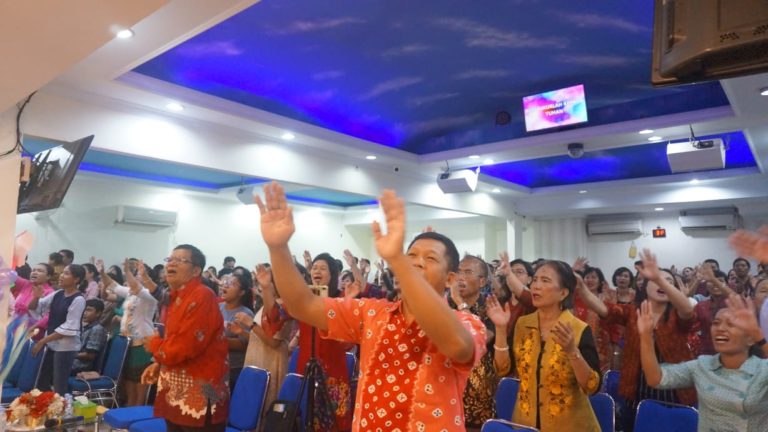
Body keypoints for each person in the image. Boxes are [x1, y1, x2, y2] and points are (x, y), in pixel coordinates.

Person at [255, 182, 487, 431]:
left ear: (450, 279)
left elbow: (457, 346)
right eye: (411, 255)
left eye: (430, 258)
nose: (417, 263)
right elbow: (303, 305)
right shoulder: (373, 313)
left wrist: (399, 260)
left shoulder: (467, 322)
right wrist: (278, 248)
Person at [577, 249, 697, 431]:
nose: (662, 283)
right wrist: (582, 288)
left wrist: (658, 278)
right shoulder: (633, 312)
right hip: (637, 387)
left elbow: (687, 310)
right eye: (656, 281)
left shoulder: (676, 314)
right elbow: (604, 309)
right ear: (644, 287)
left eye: (668, 282)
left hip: (674, 391)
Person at [495, 259, 601, 431]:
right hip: (525, 425)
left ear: (563, 293)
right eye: (535, 280)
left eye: (545, 281)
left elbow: (591, 386)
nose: (536, 286)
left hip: (570, 426)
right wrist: (500, 329)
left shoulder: (578, 329)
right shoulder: (523, 324)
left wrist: (572, 351)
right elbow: (503, 369)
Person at [638, 295, 768, 431]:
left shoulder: (762, 370)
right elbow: (655, 379)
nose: (720, 328)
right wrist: (646, 336)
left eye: (731, 324)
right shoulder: (703, 366)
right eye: (716, 323)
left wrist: (757, 334)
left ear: (750, 339)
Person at [141, 245, 229, 432]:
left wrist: (155, 345)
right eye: (169, 259)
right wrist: (159, 363)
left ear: (196, 270)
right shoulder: (177, 297)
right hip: (176, 388)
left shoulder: (202, 295)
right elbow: (175, 338)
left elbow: (185, 346)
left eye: (179, 260)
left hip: (202, 391)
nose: (171, 264)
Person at [234, 264, 295, 412]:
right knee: (251, 407)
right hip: (258, 357)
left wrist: (251, 323)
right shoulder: (270, 304)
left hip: (270, 360)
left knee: (263, 406)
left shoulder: (284, 306)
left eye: (269, 281)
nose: (263, 285)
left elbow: (273, 342)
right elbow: (260, 338)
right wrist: (242, 332)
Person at [100, 259, 158, 407]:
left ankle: (138, 412)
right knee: (128, 381)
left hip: (142, 343)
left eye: (139, 275)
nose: (136, 278)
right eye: (136, 275)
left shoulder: (150, 295)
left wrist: (126, 271)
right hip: (126, 343)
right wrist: (102, 273)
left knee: (140, 381)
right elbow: (112, 285)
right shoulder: (130, 293)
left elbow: (135, 286)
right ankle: (128, 411)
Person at [449, 255, 496, 430]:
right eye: (459, 272)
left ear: (482, 282)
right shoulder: (444, 305)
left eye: (468, 272)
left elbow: (481, 338)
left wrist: (460, 304)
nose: (461, 277)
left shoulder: (491, 306)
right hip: (447, 390)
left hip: (478, 396)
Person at [29, 264, 87, 395]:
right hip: (51, 343)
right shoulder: (58, 293)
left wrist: (42, 341)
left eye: (66, 273)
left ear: (76, 279)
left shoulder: (78, 299)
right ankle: (45, 404)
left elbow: (68, 327)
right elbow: (34, 307)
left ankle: (61, 406)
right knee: (42, 380)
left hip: (66, 347)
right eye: (62, 273)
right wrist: (36, 296)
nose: (61, 276)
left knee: (59, 383)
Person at [218, 271, 254, 390]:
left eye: (232, 284)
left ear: (241, 292)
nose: (226, 286)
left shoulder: (245, 314)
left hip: (233, 368)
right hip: (216, 363)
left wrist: (218, 341)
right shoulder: (217, 307)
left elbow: (244, 344)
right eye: (226, 282)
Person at [11, 263, 55, 339]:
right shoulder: (26, 284)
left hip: (32, 332)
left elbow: (48, 316)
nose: (35, 272)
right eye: (33, 270)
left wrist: (33, 328)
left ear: (48, 276)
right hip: (14, 328)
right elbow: (10, 275)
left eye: (39, 271)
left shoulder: (50, 293)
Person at [71, 299, 108, 374]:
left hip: (81, 366)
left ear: (98, 313)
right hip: (74, 361)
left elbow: (90, 355)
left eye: (88, 310)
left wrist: (70, 355)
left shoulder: (97, 329)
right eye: (84, 310)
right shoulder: (86, 327)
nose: (84, 313)